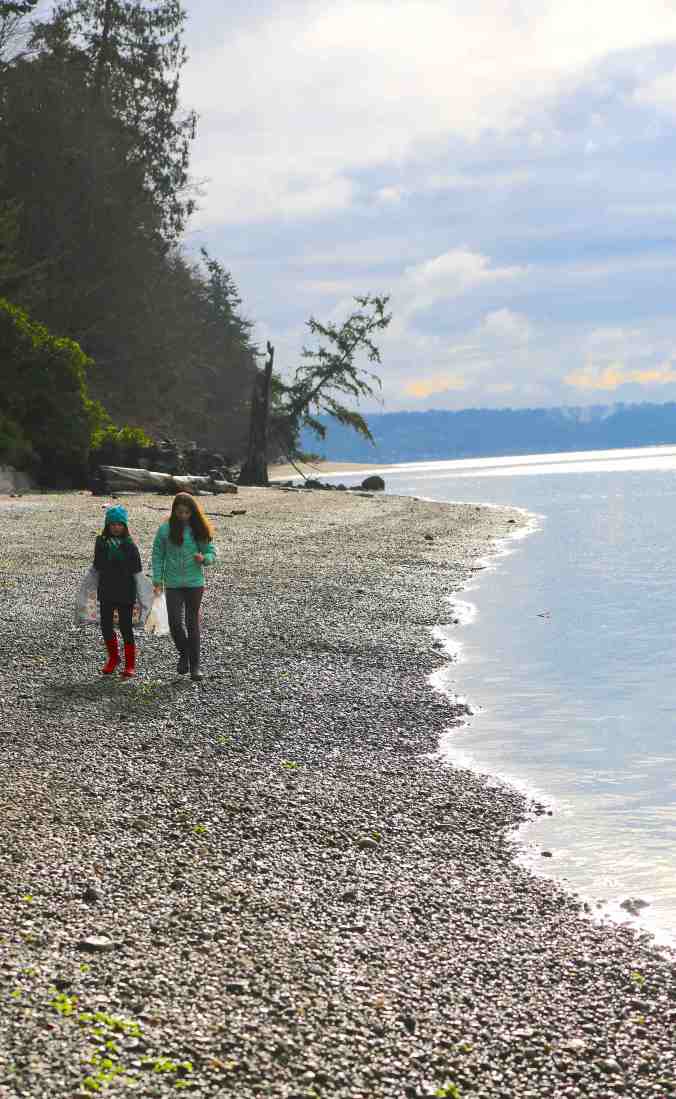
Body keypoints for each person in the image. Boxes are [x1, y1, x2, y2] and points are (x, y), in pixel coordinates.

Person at [151, 492, 217, 681]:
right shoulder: (165, 530)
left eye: (187, 512)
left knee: (192, 623)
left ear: (192, 512)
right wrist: (157, 579)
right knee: (174, 623)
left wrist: (204, 558)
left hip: (194, 583)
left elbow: (211, 551)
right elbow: (157, 555)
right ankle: (184, 653)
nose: (183, 516)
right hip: (172, 584)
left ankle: (195, 666)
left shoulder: (198, 530)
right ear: (174, 511)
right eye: (179, 512)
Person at [94, 504, 143, 678]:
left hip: (125, 592)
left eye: (119, 524)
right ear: (107, 525)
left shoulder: (130, 546)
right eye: (113, 524)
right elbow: (97, 565)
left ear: (125, 526)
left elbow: (137, 568)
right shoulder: (101, 543)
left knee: (125, 627)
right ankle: (113, 658)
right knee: (106, 626)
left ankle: (130, 664)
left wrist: (142, 593)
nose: (116, 527)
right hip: (106, 590)